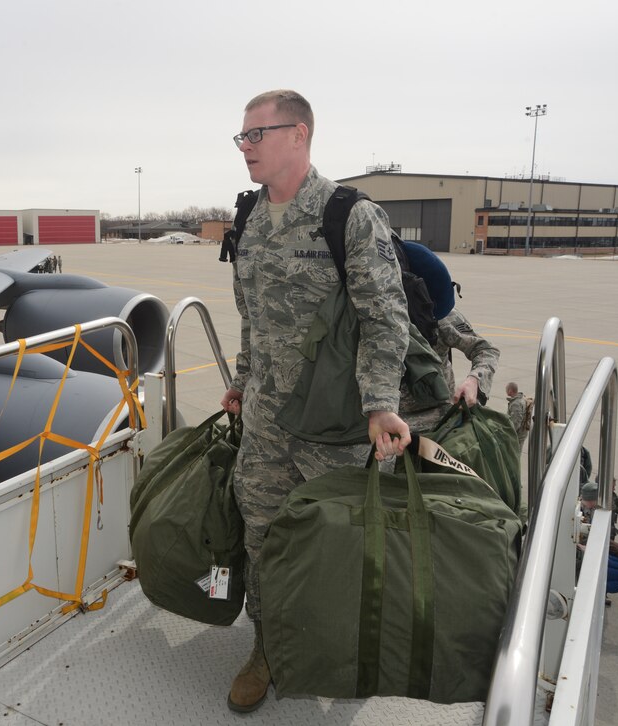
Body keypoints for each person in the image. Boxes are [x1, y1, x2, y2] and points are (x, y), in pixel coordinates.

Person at [219, 89, 410, 712]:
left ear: (298, 135)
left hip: (335, 423)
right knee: (262, 534)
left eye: (256, 135)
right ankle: (268, 647)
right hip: (267, 421)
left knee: (343, 541)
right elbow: (251, 315)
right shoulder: (247, 219)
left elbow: (386, 318)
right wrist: (243, 381)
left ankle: (345, 650)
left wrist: (380, 402)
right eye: (242, 138)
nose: (245, 147)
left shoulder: (350, 216)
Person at [399, 307, 500, 433]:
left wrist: (474, 380)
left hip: (437, 428)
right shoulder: (374, 310)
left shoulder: (435, 311)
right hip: (380, 432)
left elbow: (485, 349)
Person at [506, 382, 532, 449]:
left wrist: (510, 434)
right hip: (522, 433)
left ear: (510, 391)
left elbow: (516, 423)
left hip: (518, 435)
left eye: (507, 389)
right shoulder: (521, 399)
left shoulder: (516, 404)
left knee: (514, 454)